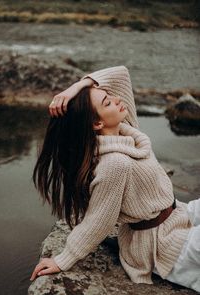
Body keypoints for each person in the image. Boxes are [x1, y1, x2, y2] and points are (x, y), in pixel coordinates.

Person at [30, 65, 200, 292]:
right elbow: (99, 220)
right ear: (97, 124)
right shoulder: (114, 164)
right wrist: (63, 259)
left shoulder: (127, 130)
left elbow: (121, 73)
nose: (117, 99)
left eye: (109, 96)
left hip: (179, 214)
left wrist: (77, 87)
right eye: (107, 102)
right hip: (161, 244)